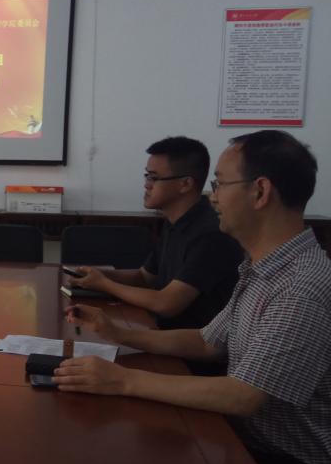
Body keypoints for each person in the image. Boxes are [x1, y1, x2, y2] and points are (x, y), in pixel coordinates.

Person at [56, 130, 331, 464]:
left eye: (220, 183)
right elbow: (207, 340)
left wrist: (122, 381)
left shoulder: (300, 287)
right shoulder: (262, 267)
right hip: (249, 449)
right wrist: (121, 334)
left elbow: (243, 395)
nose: (212, 195)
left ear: (260, 192)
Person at [70, 136, 242, 333]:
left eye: (154, 177)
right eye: (147, 176)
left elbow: (167, 303)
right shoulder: (174, 221)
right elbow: (145, 277)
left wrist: (104, 284)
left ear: (185, 184)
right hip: (162, 333)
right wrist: (98, 274)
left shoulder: (211, 234)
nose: (147, 185)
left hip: (191, 345)